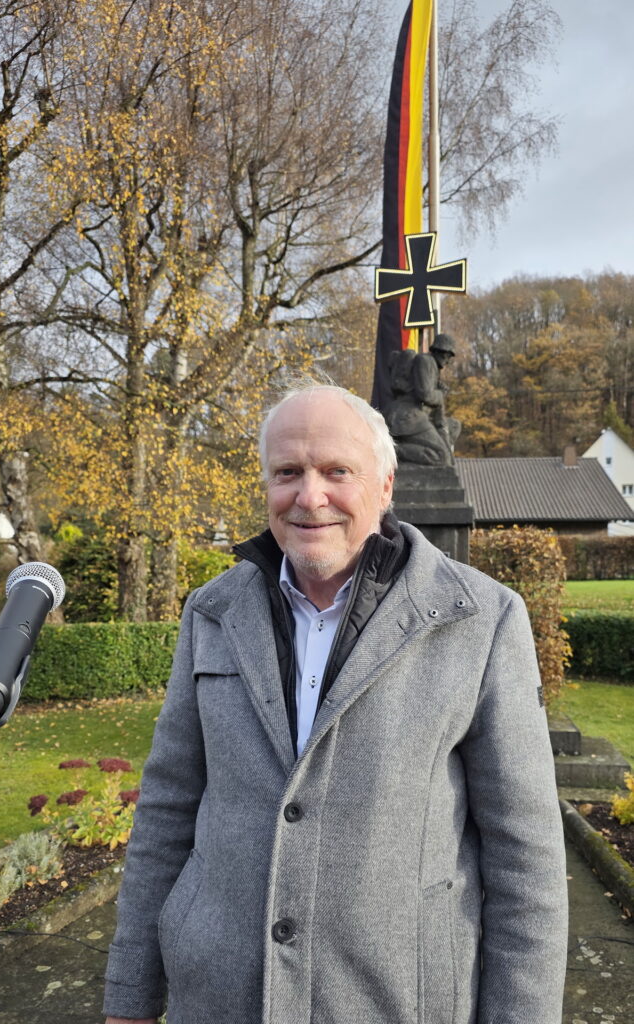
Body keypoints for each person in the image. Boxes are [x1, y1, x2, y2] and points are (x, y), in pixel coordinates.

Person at [103, 381, 568, 1024]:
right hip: (216, 996)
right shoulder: (211, 613)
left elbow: (527, 857)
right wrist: (129, 994)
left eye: (336, 471)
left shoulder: (482, 620)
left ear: (384, 485)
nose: (309, 496)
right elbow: (167, 809)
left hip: (397, 1000)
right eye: (287, 472)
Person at [385, 333, 461, 466]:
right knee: (441, 457)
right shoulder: (425, 361)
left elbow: (438, 412)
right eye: (448, 355)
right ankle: (393, 451)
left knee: (454, 426)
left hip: (417, 417)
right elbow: (424, 394)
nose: (448, 360)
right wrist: (441, 394)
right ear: (440, 351)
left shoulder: (433, 366)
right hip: (407, 416)